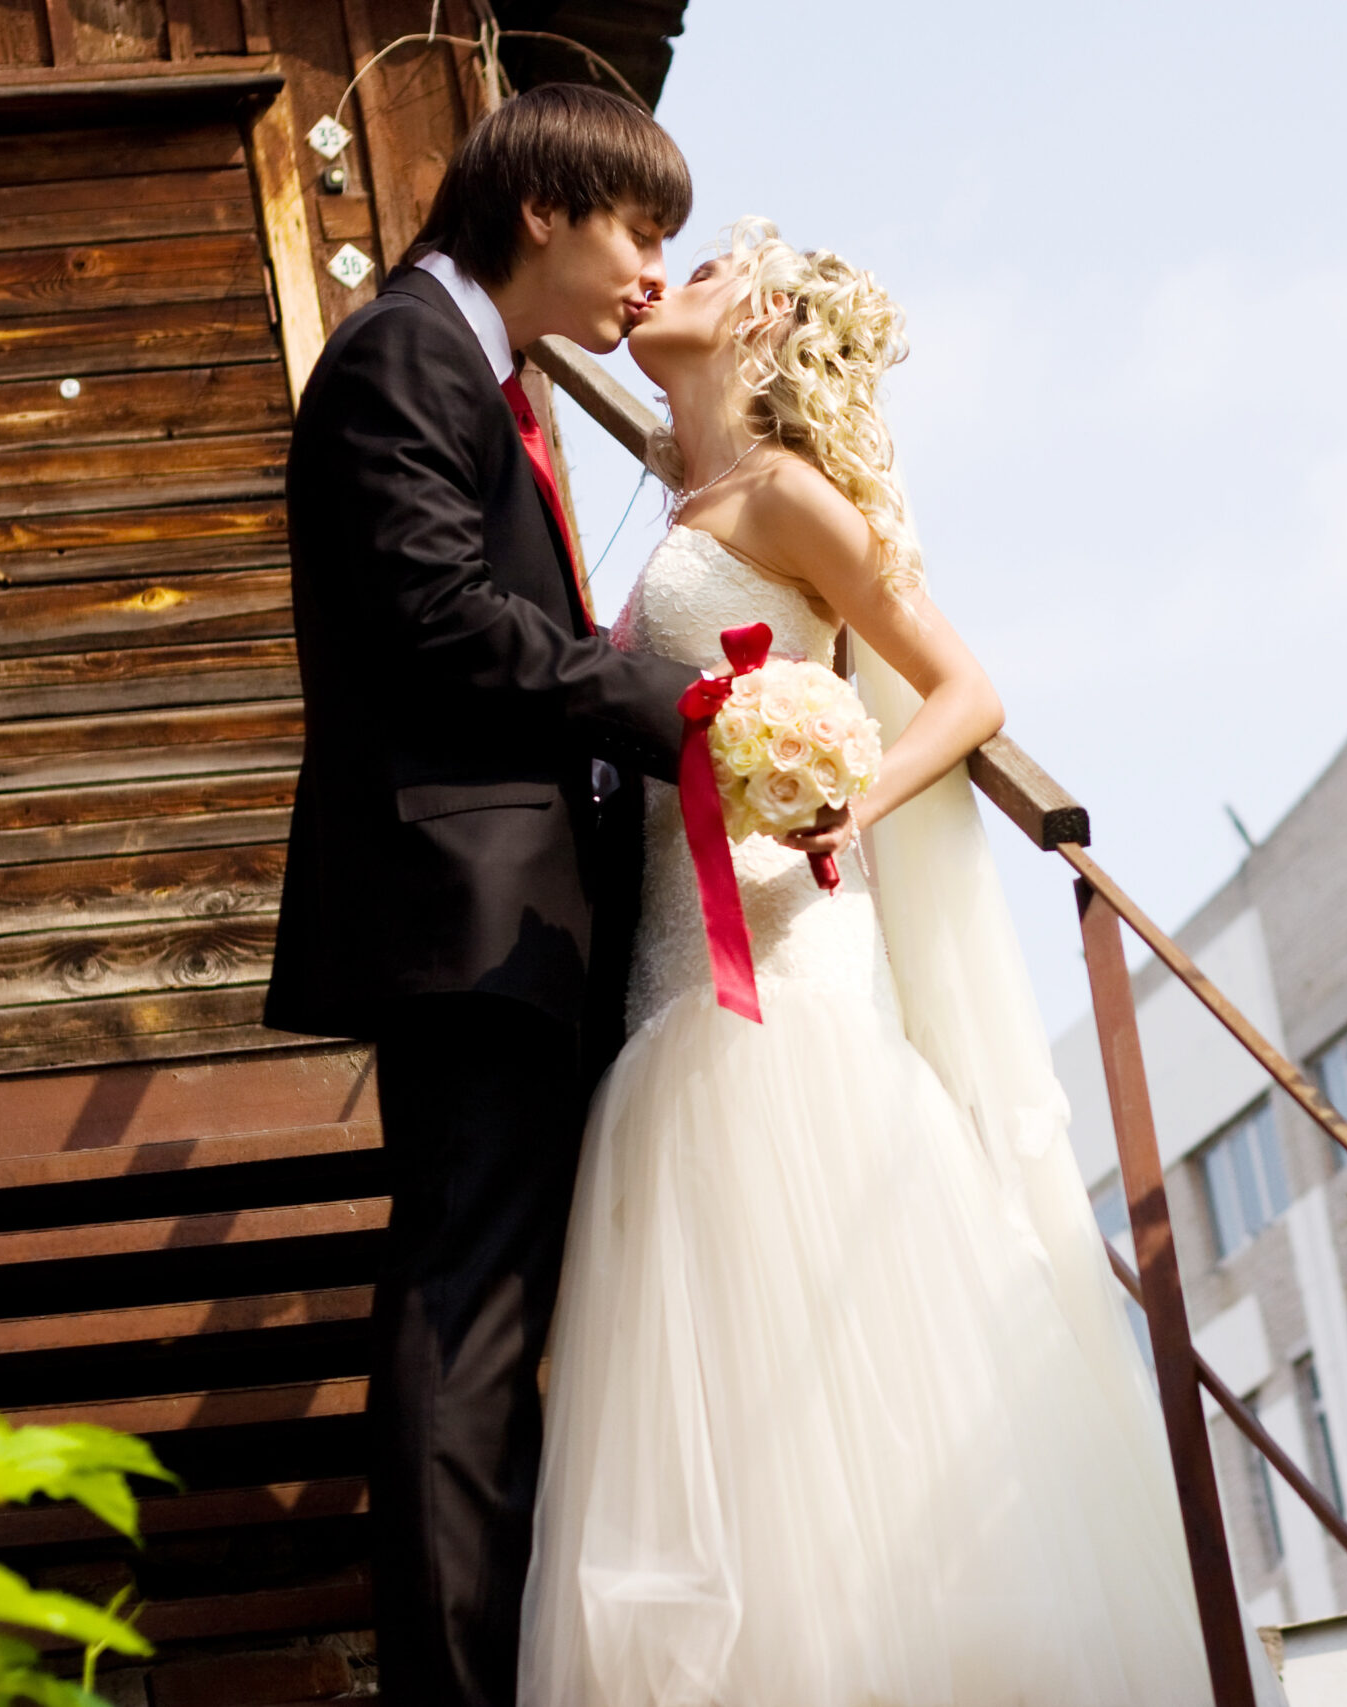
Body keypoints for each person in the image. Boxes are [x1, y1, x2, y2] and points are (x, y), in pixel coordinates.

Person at [516, 220, 1217, 1706]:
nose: (663, 282)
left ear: (762, 316)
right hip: (667, 964)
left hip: (787, 960)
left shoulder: (782, 495)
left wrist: (849, 795)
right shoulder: (684, 488)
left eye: (699, 269)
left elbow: (964, 688)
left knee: (830, 1337)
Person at [262, 84, 700, 1707]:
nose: (654, 270)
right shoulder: (399, 356)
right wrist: (679, 722)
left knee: (501, 1306)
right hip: (460, 910)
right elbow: (441, 613)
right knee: (469, 1302)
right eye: (637, 230)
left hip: (515, 915)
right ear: (543, 210)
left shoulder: (486, 372)